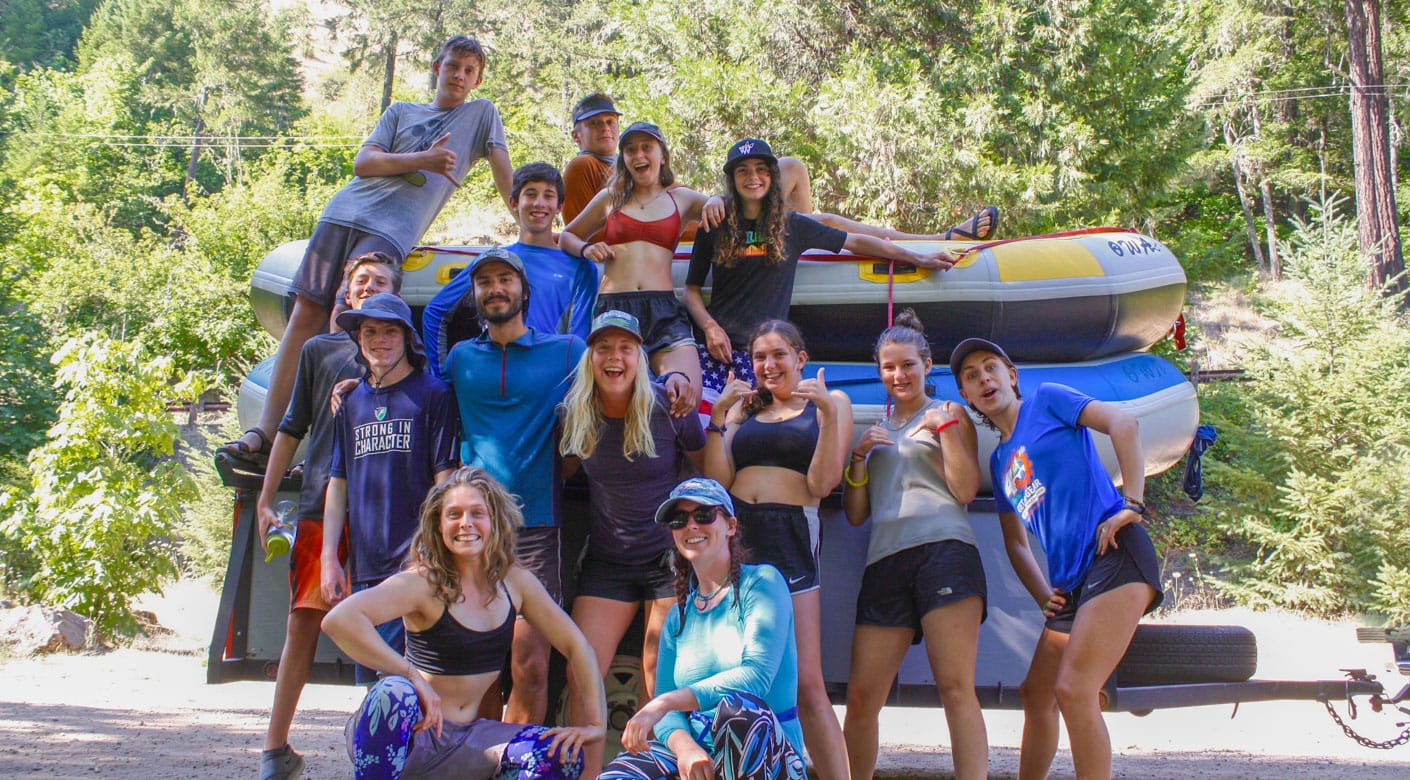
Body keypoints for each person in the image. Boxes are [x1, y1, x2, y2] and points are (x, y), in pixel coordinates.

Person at [218, 35, 512, 470]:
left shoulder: (481, 114)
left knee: (347, 320)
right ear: (437, 68)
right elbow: (364, 164)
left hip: (391, 229)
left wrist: (531, 224)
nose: (459, 75)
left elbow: (504, 173)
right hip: (343, 212)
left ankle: (324, 450)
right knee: (304, 315)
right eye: (453, 66)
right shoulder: (400, 112)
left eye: (469, 71)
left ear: (478, 80)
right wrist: (424, 159)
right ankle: (264, 432)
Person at [951, 337, 1164, 780]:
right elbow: (1015, 544)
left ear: (1012, 376)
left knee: (1074, 690)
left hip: (1115, 555)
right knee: (1036, 694)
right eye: (971, 376)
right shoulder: (999, 461)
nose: (983, 378)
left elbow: (1124, 424)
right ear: (966, 396)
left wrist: (1133, 504)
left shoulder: (1047, 400)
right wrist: (1043, 596)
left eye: (991, 367)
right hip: (1071, 585)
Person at [322, 466, 607, 780]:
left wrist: (596, 724)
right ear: (438, 524)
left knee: (559, 754)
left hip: (468, 740)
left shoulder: (515, 582)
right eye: (454, 514)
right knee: (392, 692)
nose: (466, 523)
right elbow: (339, 620)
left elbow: (576, 645)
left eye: (477, 513)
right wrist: (410, 674)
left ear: (495, 520)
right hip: (411, 737)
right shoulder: (423, 582)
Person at [252, 252, 401, 780]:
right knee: (304, 620)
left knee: (392, 626)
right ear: (346, 290)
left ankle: (389, 747)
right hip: (322, 502)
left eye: (381, 281)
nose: (370, 287)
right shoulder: (321, 350)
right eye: (361, 281)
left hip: (388, 508)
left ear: (396, 294)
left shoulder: (402, 352)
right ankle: (274, 749)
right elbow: (292, 428)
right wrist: (267, 498)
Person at [685, 138, 955, 412]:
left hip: (765, 358)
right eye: (742, 170)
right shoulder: (714, 225)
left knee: (755, 427)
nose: (753, 177)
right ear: (732, 179)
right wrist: (710, 328)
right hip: (715, 351)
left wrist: (918, 257)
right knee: (711, 425)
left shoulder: (792, 225)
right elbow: (691, 289)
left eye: (761, 169)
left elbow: (854, 241)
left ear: (772, 176)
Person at [557, 310, 707, 776]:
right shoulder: (574, 413)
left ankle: (643, 773)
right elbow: (558, 475)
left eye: (625, 348)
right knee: (581, 672)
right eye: (603, 348)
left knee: (655, 676)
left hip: (666, 558)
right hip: (608, 559)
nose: (614, 357)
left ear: (639, 357)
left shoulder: (668, 407)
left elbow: (704, 468)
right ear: (590, 358)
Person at [840, 311, 988, 780]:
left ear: (927, 365)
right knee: (862, 697)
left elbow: (965, 490)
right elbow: (856, 514)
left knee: (956, 688)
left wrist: (944, 430)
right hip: (884, 561)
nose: (898, 375)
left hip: (944, 552)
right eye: (889, 367)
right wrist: (859, 457)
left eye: (907, 365)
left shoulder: (949, 413)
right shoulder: (878, 430)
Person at [703, 320, 852, 780]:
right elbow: (717, 483)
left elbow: (823, 484)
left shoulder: (831, 402)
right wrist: (719, 417)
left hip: (791, 532)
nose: (768, 365)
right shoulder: (744, 411)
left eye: (778, 355)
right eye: (759, 357)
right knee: (738, 670)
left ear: (800, 358)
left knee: (807, 681)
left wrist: (827, 415)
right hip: (737, 536)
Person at [445, 247, 587, 725]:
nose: (495, 289)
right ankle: (477, 757)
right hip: (471, 532)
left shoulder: (567, 351)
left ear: (525, 291)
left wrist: (673, 381)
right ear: (475, 294)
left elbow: (621, 383)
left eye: (505, 280)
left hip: (537, 527)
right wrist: (355, 382)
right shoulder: (460, 359)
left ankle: (513, 761)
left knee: (530, 666)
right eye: (485, 282)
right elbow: (421, 401)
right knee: (478, 666)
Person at [600, 477, 807, 780]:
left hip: (768, 755)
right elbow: (668, 713)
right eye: (679, 519)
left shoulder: (763, 582)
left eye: (704, 514)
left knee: (739, 711)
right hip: (701, 748)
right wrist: (685, 748)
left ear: (731, 526)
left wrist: (665, 702)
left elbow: (756, 677)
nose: (691, 525)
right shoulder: (677, 616)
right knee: (619, 775)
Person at [320, 293, 461, 686]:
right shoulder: (349, 401)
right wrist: (330, 558)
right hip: (365, 566)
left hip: (415, 566)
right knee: (375, 690)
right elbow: (338, 482)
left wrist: (435, 551)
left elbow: (445, 480)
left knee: (413, 686)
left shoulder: (433, 395)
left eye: (389, 331)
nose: (379, 340)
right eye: (370, 332)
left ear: (407, 338)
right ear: (358, 339)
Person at [561, 122, 710, 419]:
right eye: (630, 150)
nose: (638, 155)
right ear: (624, 159)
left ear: (662, 155)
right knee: (615, 404)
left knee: (687, 396)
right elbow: (568, 236)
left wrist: (717, 199)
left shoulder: (683, 199)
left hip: (663, 309)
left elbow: (728, 210)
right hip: (615, 308)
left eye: (646, 147)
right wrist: (586, 249)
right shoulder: (611, 198)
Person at [421, 162, 600, 379]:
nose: (539, 203)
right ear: (514, 202)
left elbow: (579, 339)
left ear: (560, 206)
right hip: (495, 376)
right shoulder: (494, 262)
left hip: (547, 382)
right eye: (530, 194)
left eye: (548, 195)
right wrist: (440, 381)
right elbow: (435, 312)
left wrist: (570, 389)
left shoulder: (579, 266)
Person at [562, 93, 621, 229]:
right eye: (594, 123)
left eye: (610, 122)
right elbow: (582, 234)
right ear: (576, 136)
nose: (605, 128)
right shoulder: (583, 166)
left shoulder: (628, 165)